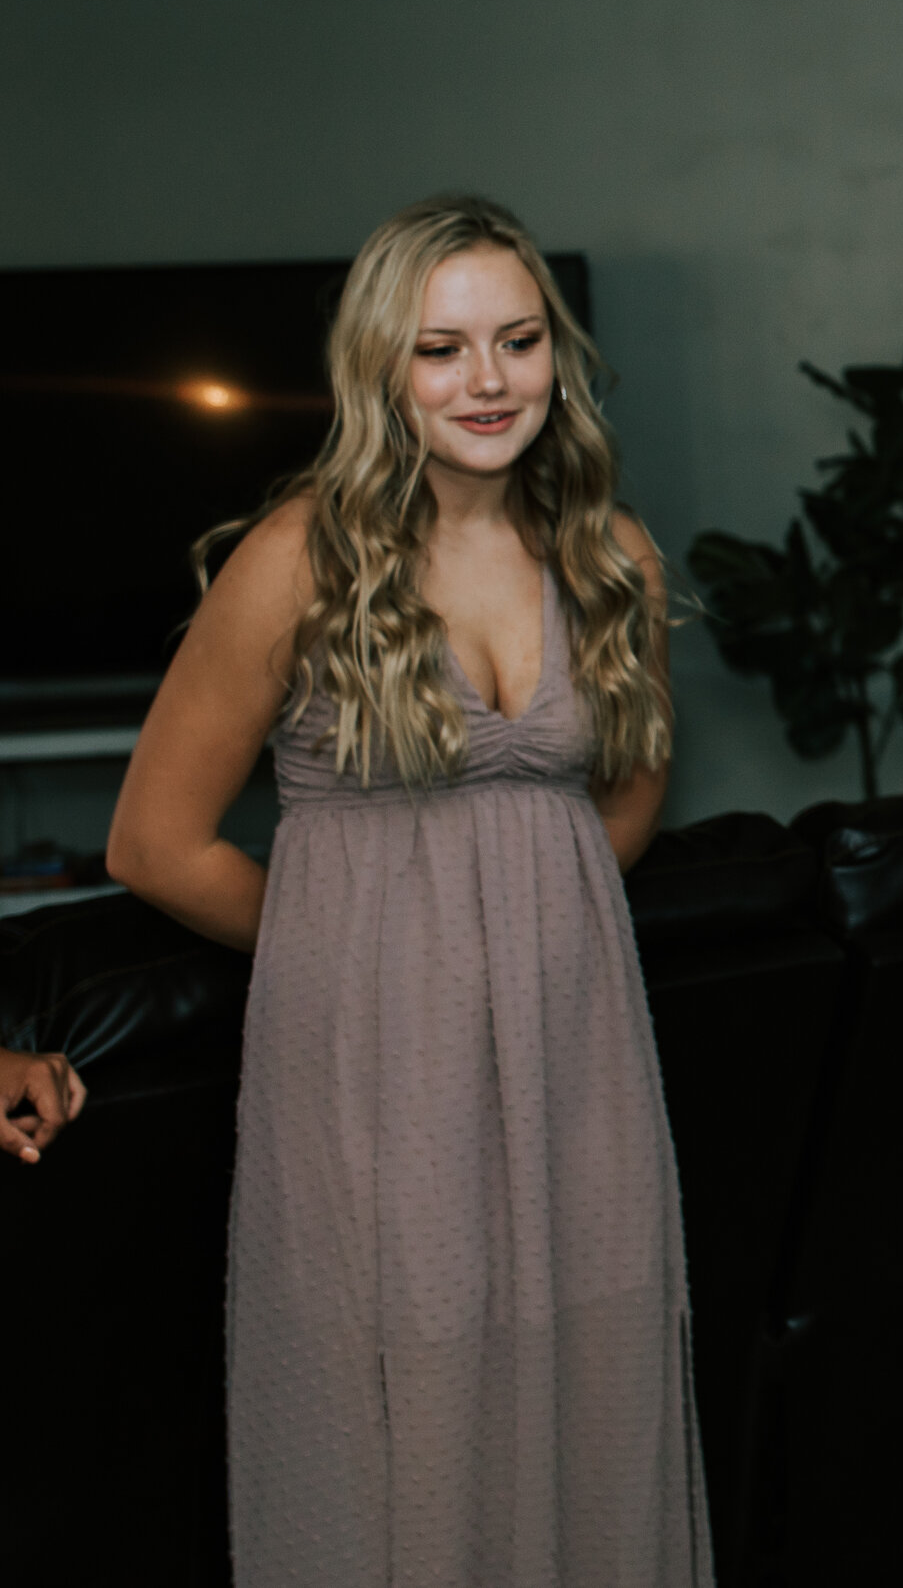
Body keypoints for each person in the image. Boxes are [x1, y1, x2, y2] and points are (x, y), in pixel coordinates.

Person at [106, 195, 710, 1586]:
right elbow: (153, 841)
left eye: (516, 341)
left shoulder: (611, 556)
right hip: (370, 1071)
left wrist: (515, 941)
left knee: (599, 1377)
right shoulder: (296, 559)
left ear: (558, 356)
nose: (486, 382)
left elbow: (617, 805)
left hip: (579, 1064)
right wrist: (374, 957)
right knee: (402, 1413)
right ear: (380, 367)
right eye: (441, 349)